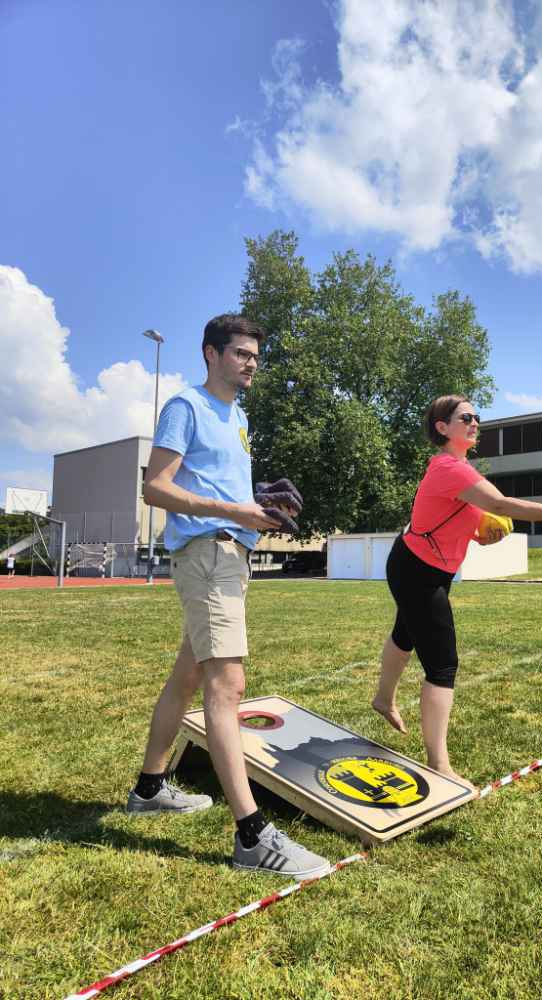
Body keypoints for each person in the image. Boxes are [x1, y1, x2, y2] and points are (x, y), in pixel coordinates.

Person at [127, 313, 330, 880]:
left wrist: (258, 502)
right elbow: (155, 487)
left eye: (255, 356)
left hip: (229, 553)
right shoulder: (186, 407)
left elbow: (218, 484)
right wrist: (233, 510)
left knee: (188, 675)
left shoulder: (238, 416)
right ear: (211, 353)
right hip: (207, 552)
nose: (251, 363)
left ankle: (149, 788)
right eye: (241, 353)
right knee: (227, 684)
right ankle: (252, 836)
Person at [372, 394, 542, 783]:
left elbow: (467, 520)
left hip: (422, 565)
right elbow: (502, 505)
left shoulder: (458, 469)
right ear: (443, 427)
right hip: (417, 570)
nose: (475, 422)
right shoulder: (450, 468)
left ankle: (383, 699)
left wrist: (482, 534)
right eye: (466, 417)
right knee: (443, 664)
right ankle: (439, 764)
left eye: (477, 417)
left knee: (406, 633)